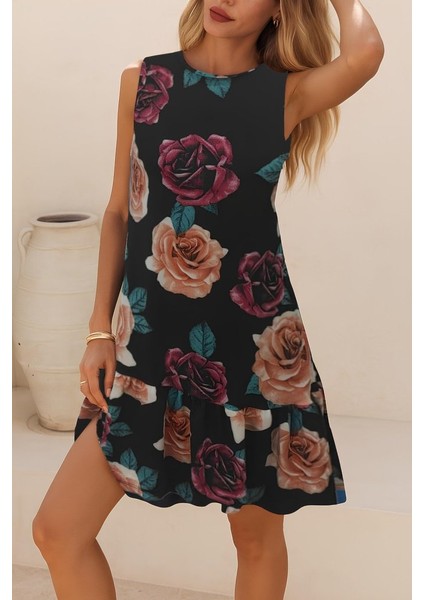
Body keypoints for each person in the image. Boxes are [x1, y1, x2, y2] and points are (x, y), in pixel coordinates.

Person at [32, 1, 384, 599]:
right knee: (57, 531)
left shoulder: (284, 94)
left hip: (253, 353)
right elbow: (119, 212)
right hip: (146, 346)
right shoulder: (143, 81)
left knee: (255, 542)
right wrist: (98, 332)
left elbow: (365, 53)